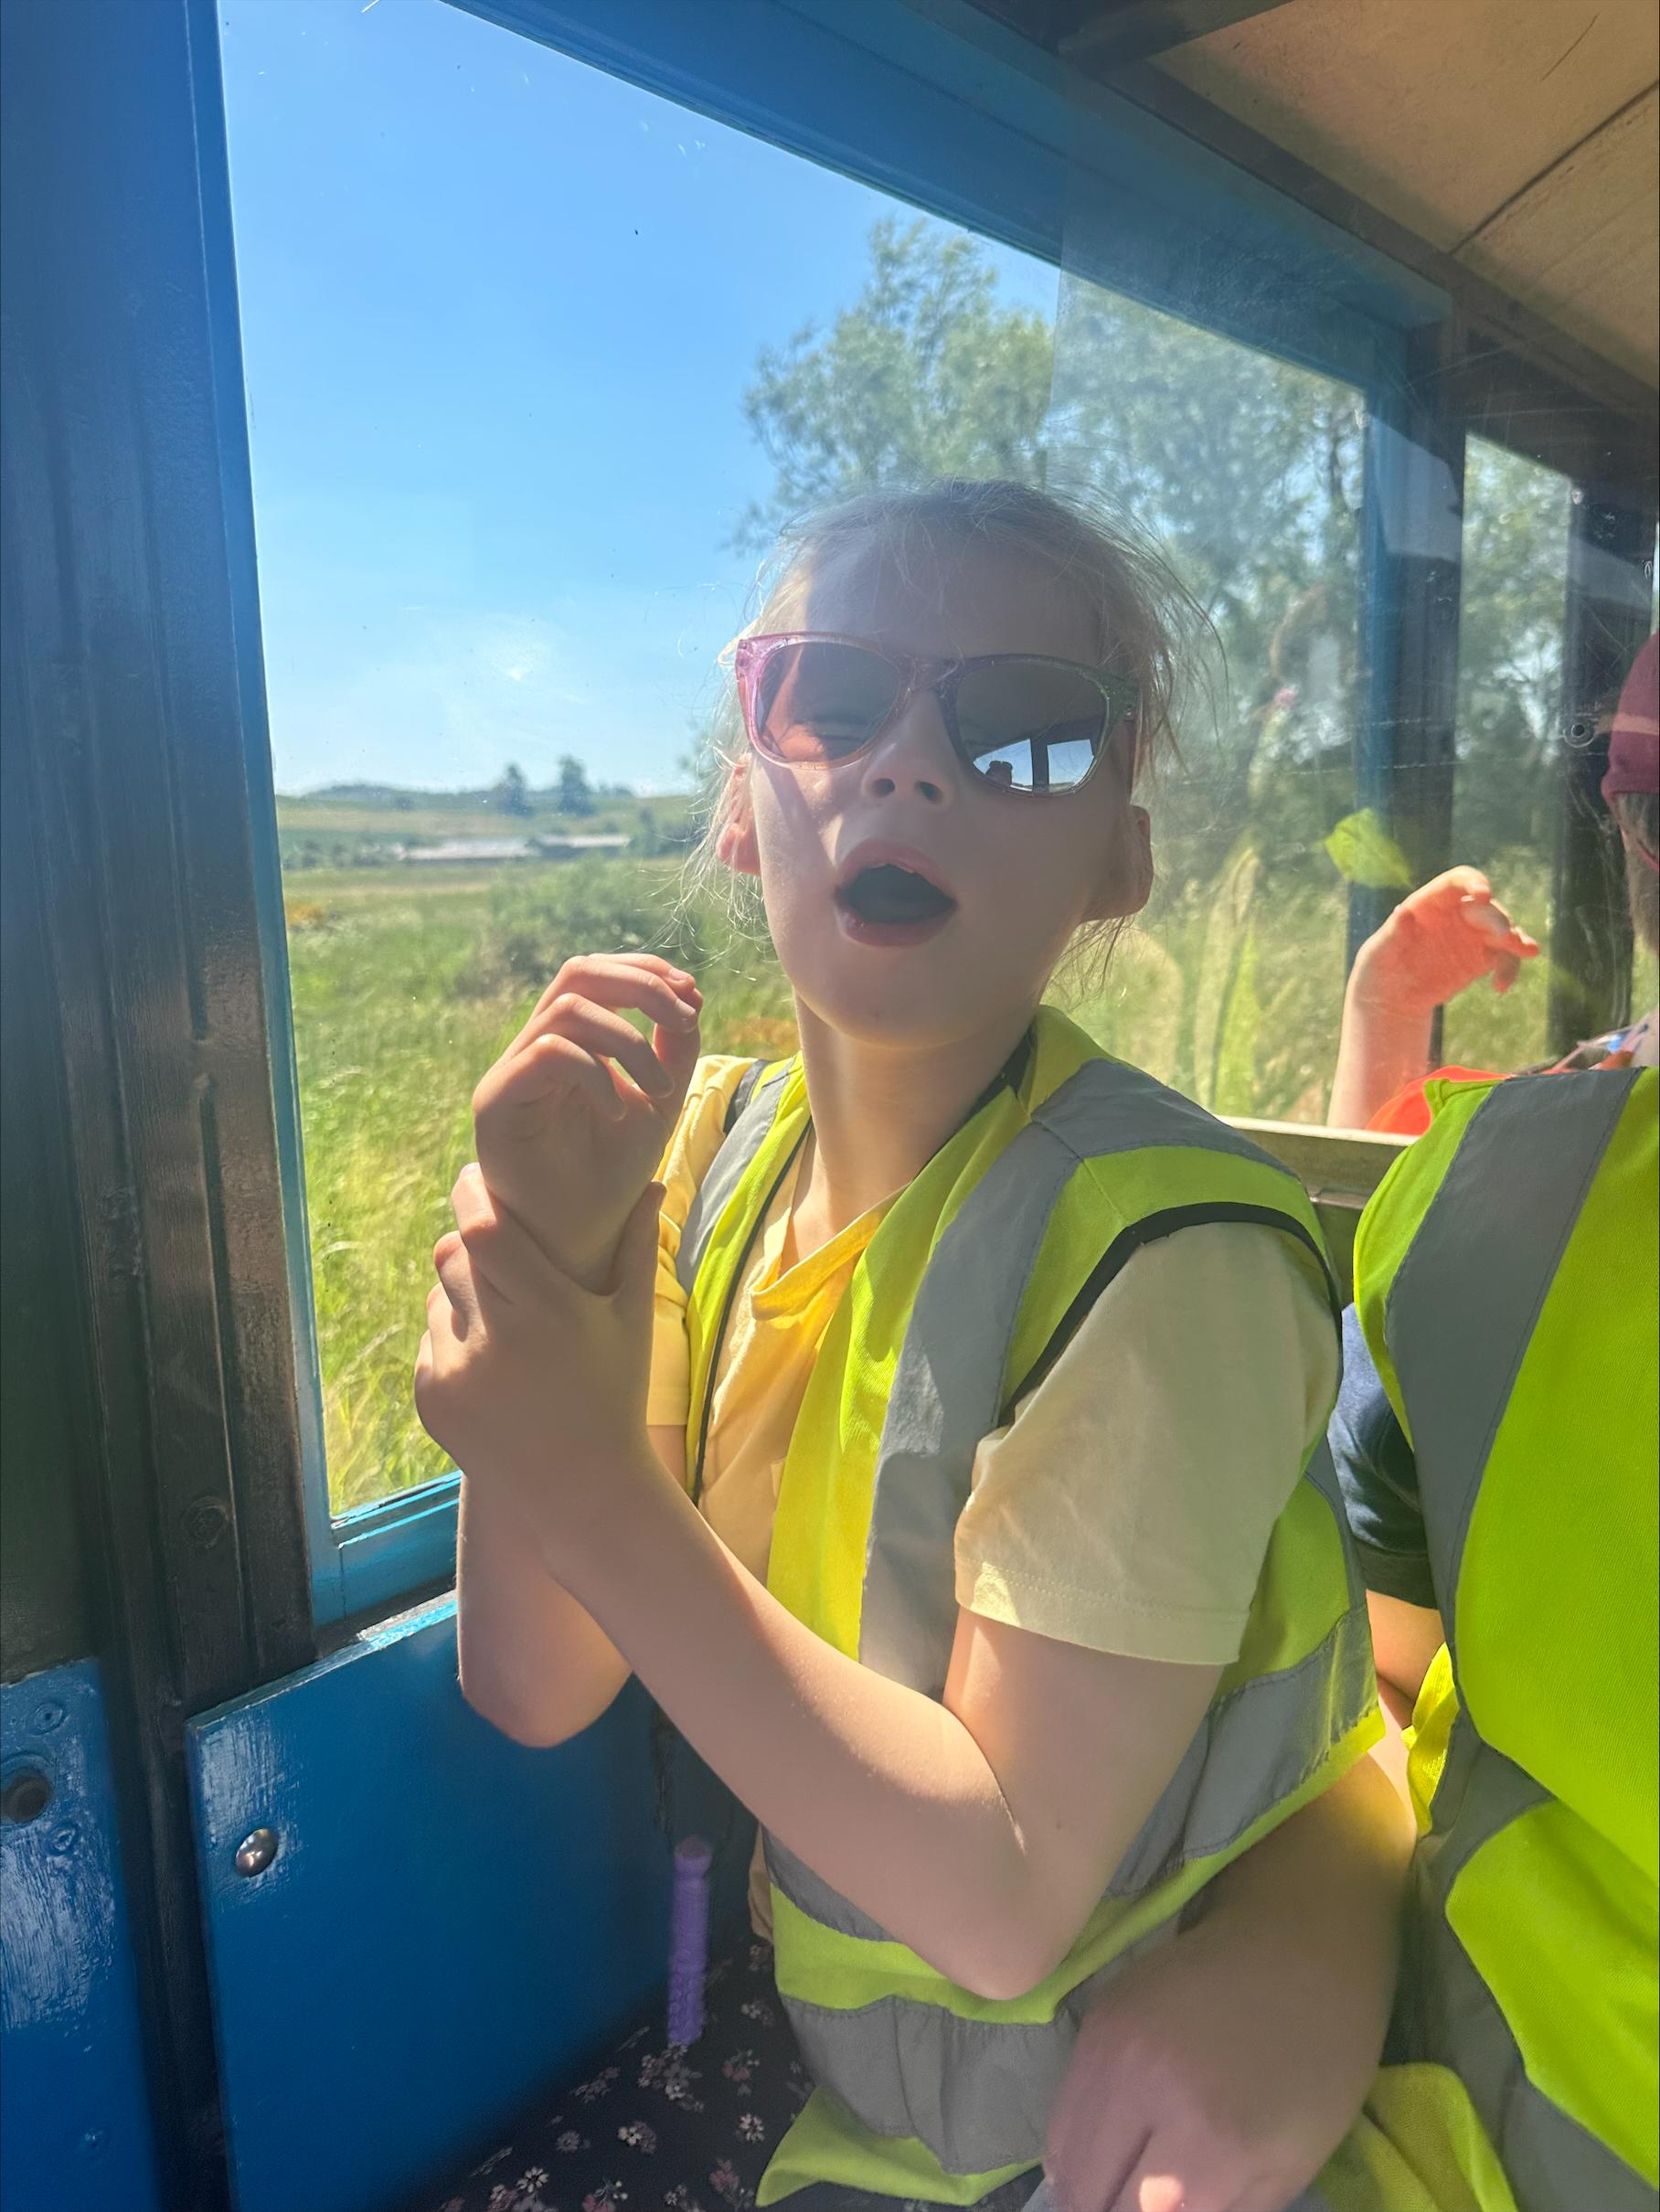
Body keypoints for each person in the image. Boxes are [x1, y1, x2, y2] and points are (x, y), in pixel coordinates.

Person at [412, 481, 1405, 2212]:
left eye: (1025, 731)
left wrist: (567, 1455)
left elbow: (1005, 1900)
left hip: (1097, 2140)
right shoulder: (697, 1159)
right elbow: (537, 1682)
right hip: (858, 2100)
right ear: (747, 803)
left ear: (1120, 858)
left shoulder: (1169, 1251)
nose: (913, 767)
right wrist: (554, 1256)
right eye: (833, 699)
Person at [1328, 633, 1659, 1134]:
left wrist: (1388, 1014)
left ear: (1627, 831)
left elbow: (1378, 1182)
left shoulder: (1530, 1128)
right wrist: (1391, 1011)